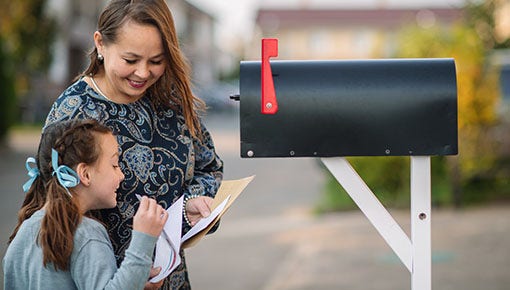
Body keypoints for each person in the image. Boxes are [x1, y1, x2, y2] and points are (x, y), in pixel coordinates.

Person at [44, 0, 224, 289]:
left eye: (156, 61)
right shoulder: (73, 112)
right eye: (130, 60)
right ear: (100, 44)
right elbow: (51, 213)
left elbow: (209, 168)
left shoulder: (171, 105)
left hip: (170, 280)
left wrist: (191, 206)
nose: (143, 73)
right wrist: (127, 277)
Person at [3, 119, 169, 289]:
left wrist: (134, 278)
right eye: (114, 165)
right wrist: (143, 240)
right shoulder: (86, 233)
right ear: (85, 174)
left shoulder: (23, 233)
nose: (121, 175)